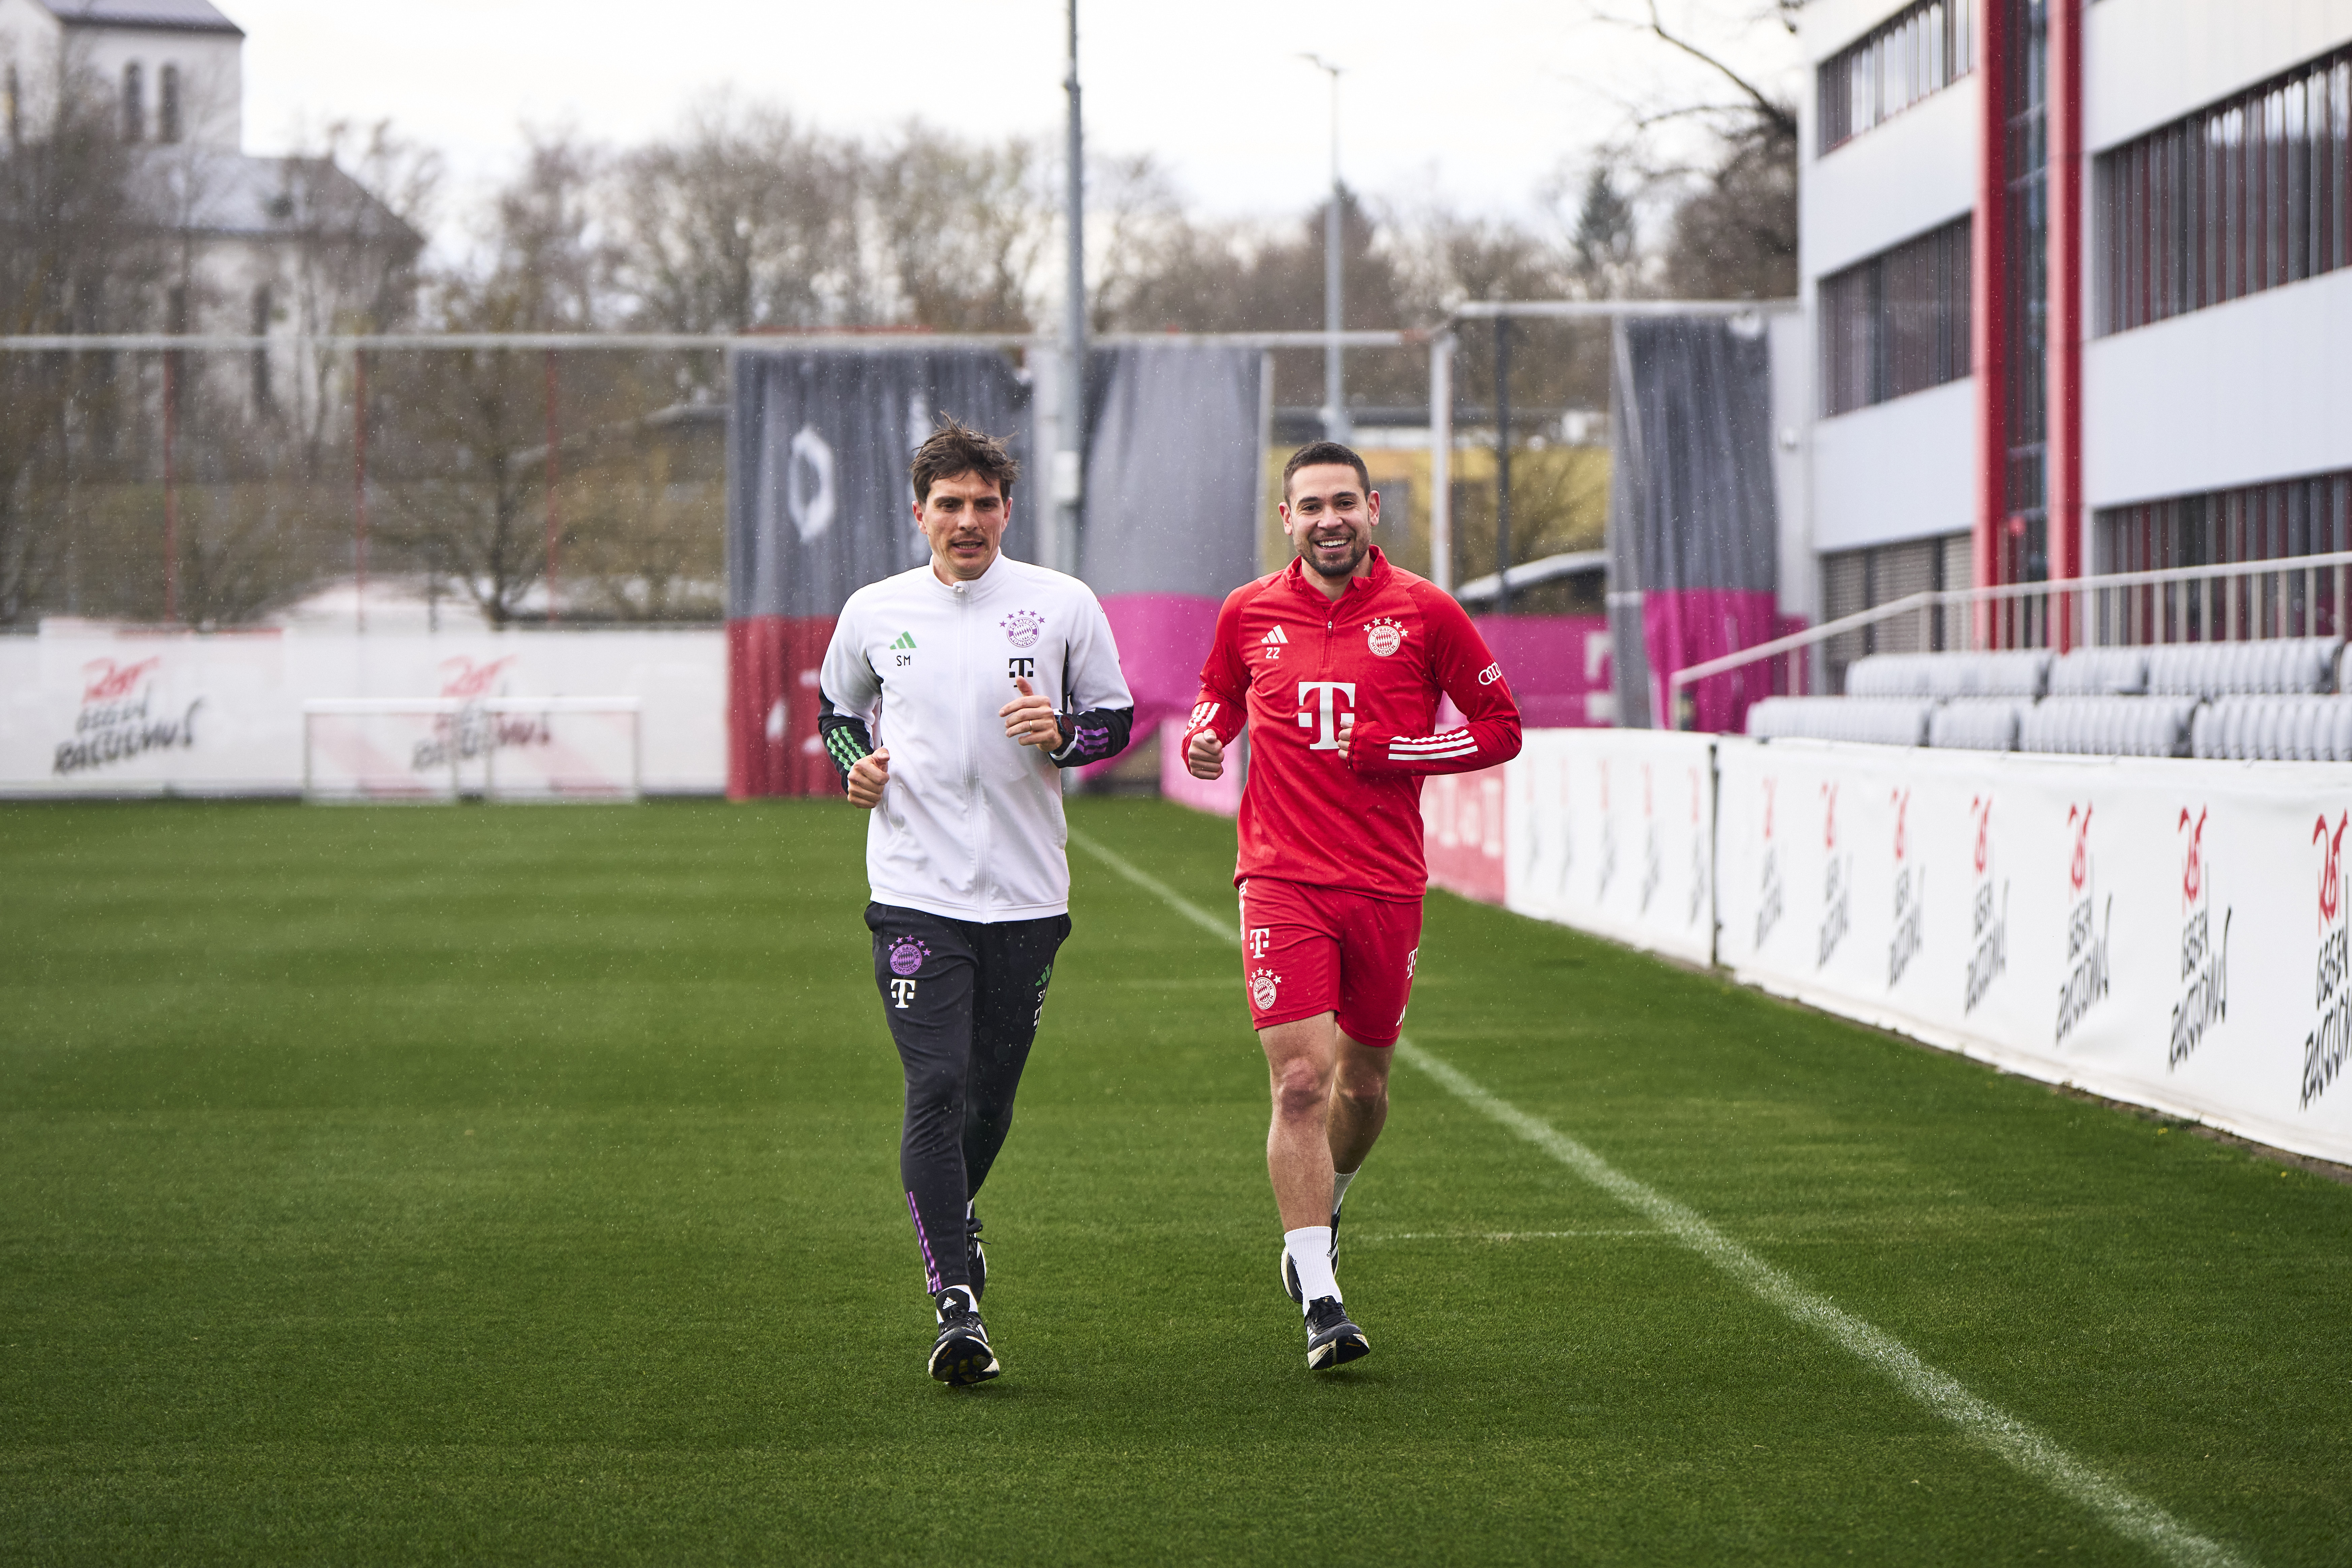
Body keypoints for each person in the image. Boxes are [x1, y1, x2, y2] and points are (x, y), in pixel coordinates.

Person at [1180, 440, 1522, 1371]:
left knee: (1363, 1089)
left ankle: (1327, 1206)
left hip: (1384, 883)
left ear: (1371, 509)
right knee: (1299, 1081)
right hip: (1281, 878)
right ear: (1286, 519)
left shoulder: (1425, 611)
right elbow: (1219, 695)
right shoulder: (1249, 610)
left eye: (1344, 503)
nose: (1329, 519)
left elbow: (1503, 729)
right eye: (1310, 506)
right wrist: (1208, 739)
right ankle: (1321, 1298)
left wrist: (1402, 752)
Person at [818, 417, 1134, 1386]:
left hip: (1029, 896)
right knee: (938, 1083)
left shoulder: (1062, 603)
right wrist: (854, 771)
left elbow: (1117, 720)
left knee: (991, 1100)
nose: (967, 521)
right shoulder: (875, 609)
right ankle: (956, 1305)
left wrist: (1066, 736)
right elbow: (840, 713)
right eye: (948, 505)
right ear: (919, 514)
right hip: (915, 890)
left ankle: (956, 1223)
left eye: (983, 504)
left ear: (1007, 510)